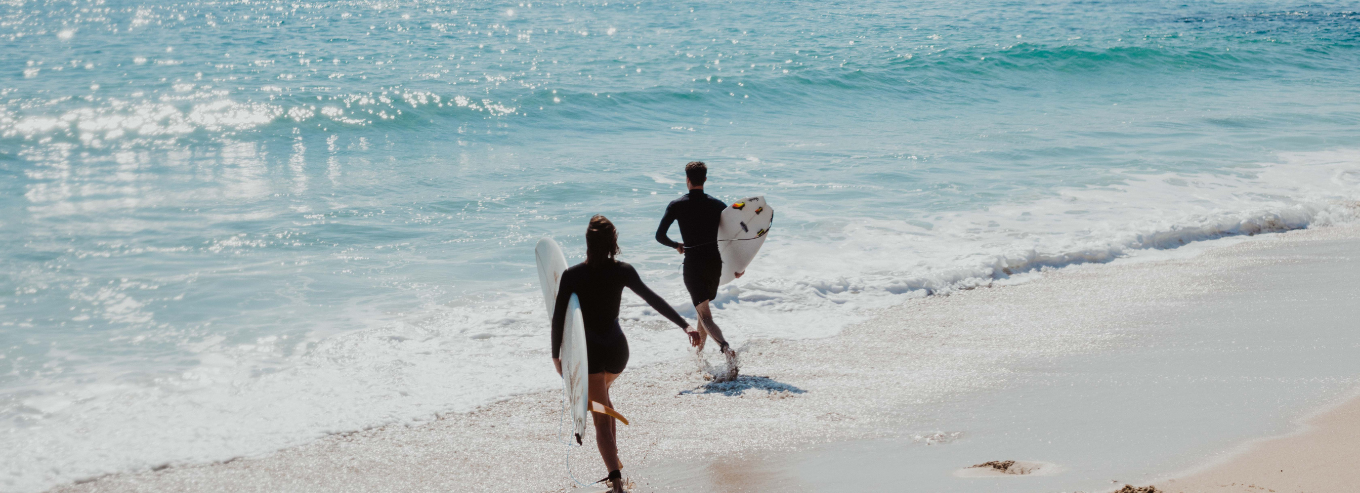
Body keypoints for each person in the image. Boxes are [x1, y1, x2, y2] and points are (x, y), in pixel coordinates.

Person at [551, 215, 700, 493]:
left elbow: (558, 317)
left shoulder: (572, 276)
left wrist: (556, 356)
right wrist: (685, 325)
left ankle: (616, 480)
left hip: (591, 354)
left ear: (588, 242)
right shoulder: (623, 270)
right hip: (618, 351)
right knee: (604, 401)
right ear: (613, 242)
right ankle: (615, 461)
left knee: (600, 420)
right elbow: (653, 299)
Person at [655, 161, 739, 357]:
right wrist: (738, 265)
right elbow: (733, 238)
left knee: (704, 314)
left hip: (694, 265)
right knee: (702, 310)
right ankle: (699, 357)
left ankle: (725, 348)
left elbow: (660, 236)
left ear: (687, 179)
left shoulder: (677, 205)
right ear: (705, 179)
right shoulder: (718, 205)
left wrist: (677, 245)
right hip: (714, 263)